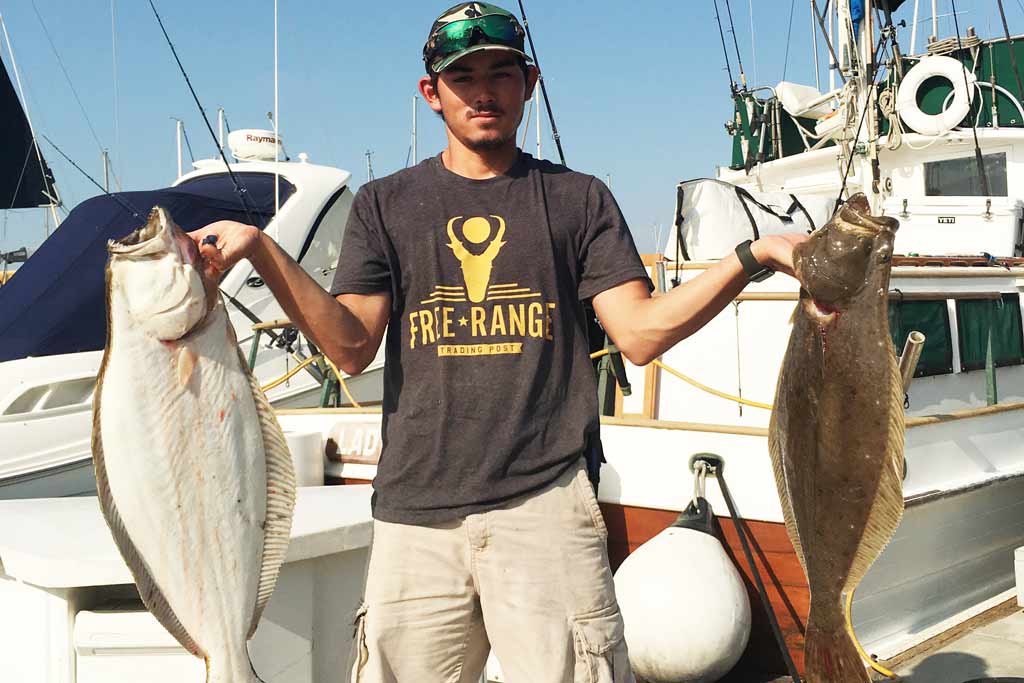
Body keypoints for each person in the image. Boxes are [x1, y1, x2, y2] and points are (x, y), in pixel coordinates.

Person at [189, 3, 806, 681]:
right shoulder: (385, 204)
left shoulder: (578, 200)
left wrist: (751, 255)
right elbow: (351, 346)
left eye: (500, 74)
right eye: (463, 77)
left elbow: (638, 333)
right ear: (432, 93)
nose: (483, 91)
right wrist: (260, 249)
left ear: (529, 83)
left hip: (546, 507)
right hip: (414, 517)